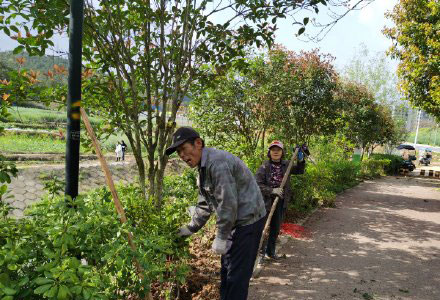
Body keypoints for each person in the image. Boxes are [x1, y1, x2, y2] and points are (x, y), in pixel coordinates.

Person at [166, 127, 266, 300]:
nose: (181, 156)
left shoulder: (217, 163)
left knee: (237, 277)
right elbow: (205, 204)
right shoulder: (203, 168)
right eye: (178, 152)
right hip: (234, 222)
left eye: (183, 149)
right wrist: (191, 228)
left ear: (198, 143)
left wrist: (220, 236)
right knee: (227, 271)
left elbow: (228, 204)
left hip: (248, 222)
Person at [255, 141, 309, 260]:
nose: (275, 152)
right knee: (263, 228)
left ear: (282, 152)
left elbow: (300, 170)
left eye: (278, 150)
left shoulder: (287, 165)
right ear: (269, 152)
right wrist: (272, 190)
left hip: (280, 202)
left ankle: (270, 252)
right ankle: (259, 254)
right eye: (273, 149)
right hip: (265, 202)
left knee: (275, 228)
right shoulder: (264, 167)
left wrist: (300, 158)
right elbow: (257, 184)